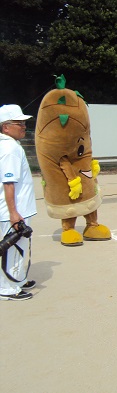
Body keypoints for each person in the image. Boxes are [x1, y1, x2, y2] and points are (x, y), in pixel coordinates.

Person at [0, 105, 37, 301]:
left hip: (17, 209)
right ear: (5, 127)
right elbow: (9, 183)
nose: (23, 126)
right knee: (13, 248)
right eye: (19, 123)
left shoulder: (10, 145)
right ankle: (7, 288)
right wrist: (13, 212)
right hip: (13, 211)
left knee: (19, 247)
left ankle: (18, 279)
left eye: (24, 122)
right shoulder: (10, 149)